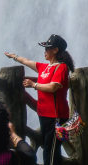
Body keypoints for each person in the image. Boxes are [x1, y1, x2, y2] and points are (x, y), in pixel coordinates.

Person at [5, 34, 75, 165]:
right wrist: (14, 56)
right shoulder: (44, 67)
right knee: (49, 148)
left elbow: (54, 86)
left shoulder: (62, 67)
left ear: (55, 50)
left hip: (58, 116)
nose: (45, 51)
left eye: (47, 48)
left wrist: (34, 85)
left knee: (51, 150)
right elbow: (26, 61)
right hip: (44, 115)